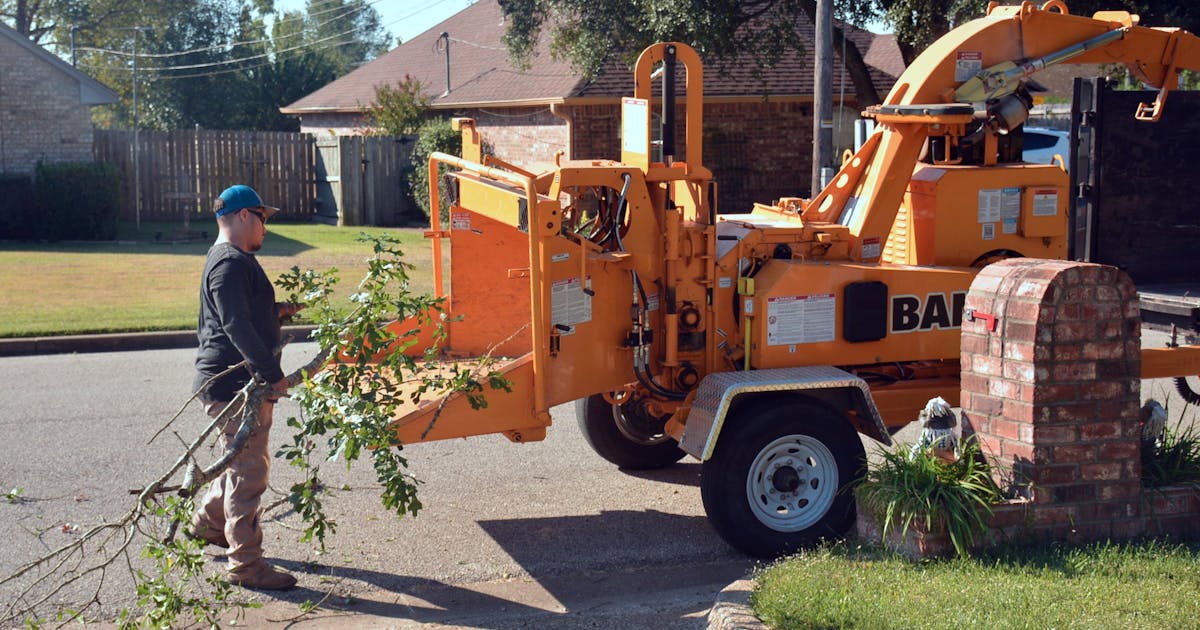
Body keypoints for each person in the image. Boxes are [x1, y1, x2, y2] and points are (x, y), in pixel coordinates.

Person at [188, 184, 302, 590]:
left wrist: (276, 311)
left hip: (235, 381)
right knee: (250, 472)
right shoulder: (229, 262)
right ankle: (246, 566)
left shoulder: (229, 261)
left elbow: (235, 313)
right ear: (241, 216)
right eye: (262, 217)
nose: (265, 227)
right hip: (236, 384)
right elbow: (234, 324)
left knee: (237, 461)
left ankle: (207, 525)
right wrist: (272, 374)